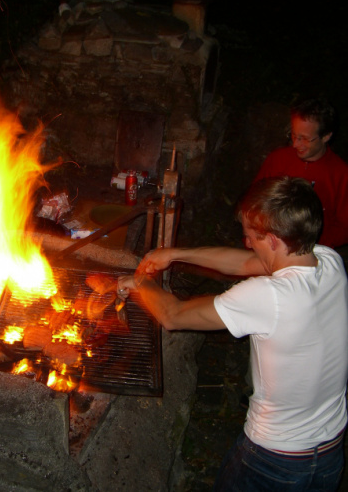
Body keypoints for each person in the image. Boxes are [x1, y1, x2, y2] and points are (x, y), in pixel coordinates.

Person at [117, 176, 348, 491]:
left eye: (252, 236)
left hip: (274, 460)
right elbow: (246, 263)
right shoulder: (328, 261)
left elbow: (173, 315)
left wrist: (141, 285)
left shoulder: (271, 296)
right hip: (329, 453)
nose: (248, 243)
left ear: (275, 240)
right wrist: (175, 253)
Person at [254, 97, 348, 249]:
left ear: (326, 136)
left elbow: (345, 227)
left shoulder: (341, 174)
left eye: (304, 138)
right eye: (294, 135)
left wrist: (312, 245)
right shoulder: (278, 159)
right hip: (270, 247)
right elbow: (255, 200)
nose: (296, 144)